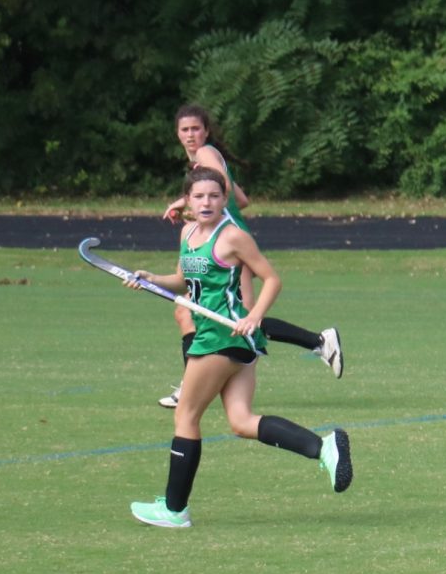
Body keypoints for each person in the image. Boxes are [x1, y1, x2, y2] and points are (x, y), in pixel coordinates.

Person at [126, 166, 353, 528]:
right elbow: (184, 281)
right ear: (187, 200)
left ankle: (174, 509)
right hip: (230, 340)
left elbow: (272, 279)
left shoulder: (231, 237)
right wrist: (151, 279)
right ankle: (324, 447)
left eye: (214, 196)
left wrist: (255, 315)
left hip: (222, 337)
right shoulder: (187, 233)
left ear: (223, 201)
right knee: (241, 421)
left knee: (185, 416)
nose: (206, 202)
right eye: (199, 196)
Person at [158, 103, 343, 409]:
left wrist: (185, 202)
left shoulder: (205, 154)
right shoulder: (205, 159)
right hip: (223, 241)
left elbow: (225, 187)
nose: (191, 135)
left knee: (240, 317)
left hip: (227, 246)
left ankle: (319, 342)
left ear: (206, 131)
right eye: (184, 130)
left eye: (196, 128)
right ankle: (317, 342)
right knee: (194, 313)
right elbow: (240, 199)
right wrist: (200, 212)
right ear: (177, 134)